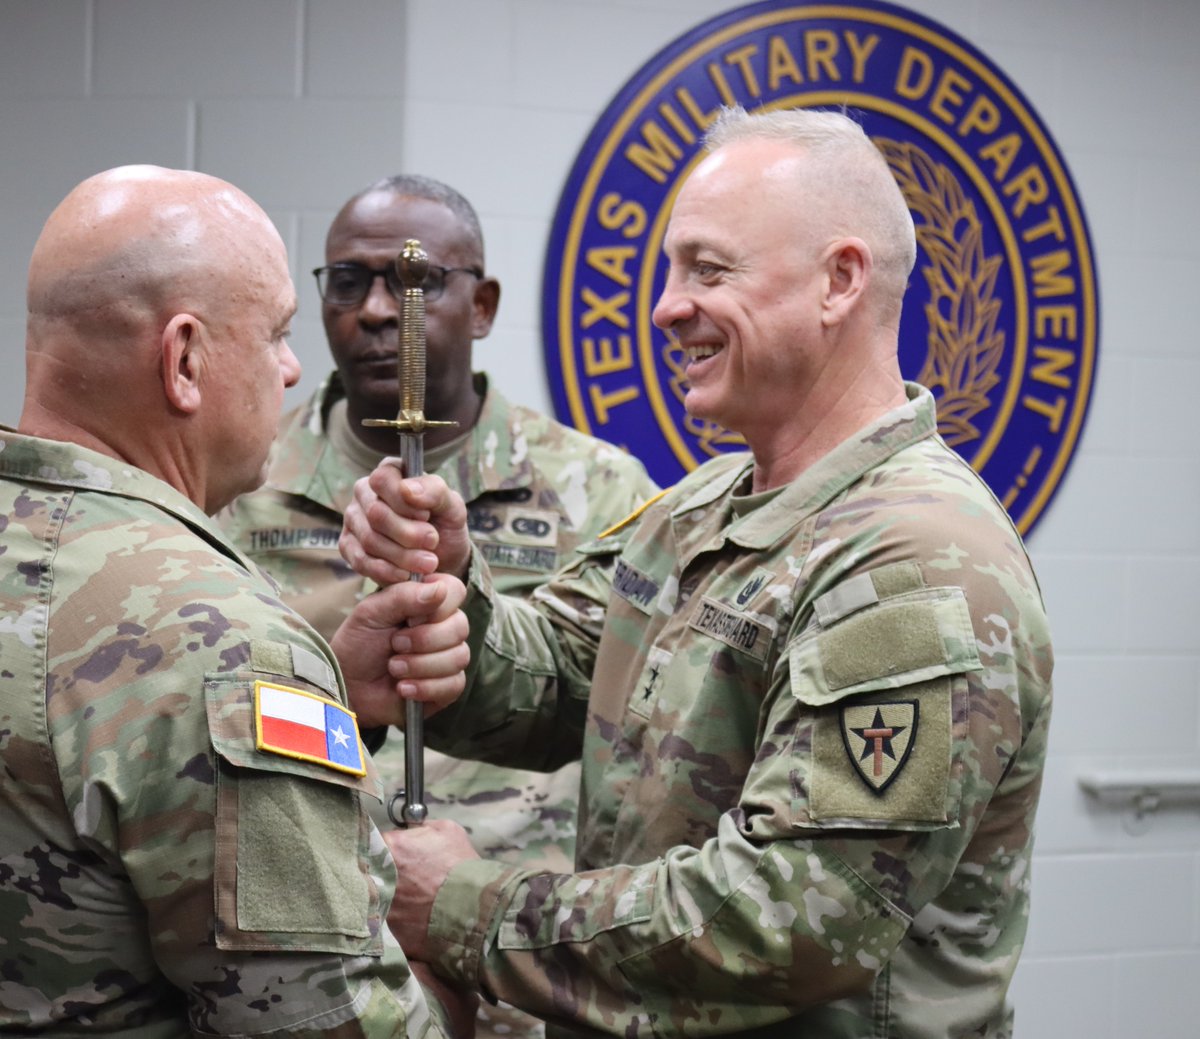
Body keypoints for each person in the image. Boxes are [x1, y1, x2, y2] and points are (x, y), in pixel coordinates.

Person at [341, 107, 1055, 1037]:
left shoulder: (915, 562)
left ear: (840, 280)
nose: (667, 306)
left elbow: (781, 919)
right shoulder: (706, 506)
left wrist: (463, 904)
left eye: (709, 271)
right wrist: (452, 599)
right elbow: (560, 673)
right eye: (671, 270)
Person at [0, 165, 473, 1037]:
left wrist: (339, 699)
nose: (294, 371)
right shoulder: (223, 644)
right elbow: (319, 1020)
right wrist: (451, 990)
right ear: (184, 359)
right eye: (277, 334)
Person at [220, 171, 657, 1020]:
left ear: (484, 305)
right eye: (349, 282)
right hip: (311, 951)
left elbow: (624, 720)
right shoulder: (244, 481)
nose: (380, 311)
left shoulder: (598, 490)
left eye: (415, 283)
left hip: (524, 955)